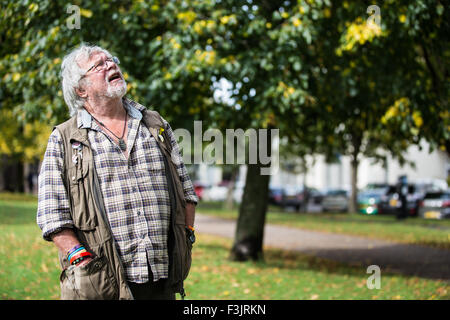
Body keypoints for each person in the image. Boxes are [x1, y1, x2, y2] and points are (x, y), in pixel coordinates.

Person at [37, 44, 198, 300]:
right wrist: (81, 259)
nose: (111, 65)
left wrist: (186, 235)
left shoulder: (155, 124)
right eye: (99, 65)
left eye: (111, 60)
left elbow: (187, 191)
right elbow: (51, 215)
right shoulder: (65, 139)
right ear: (81, 89)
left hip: (163, 280)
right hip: (102, 285)